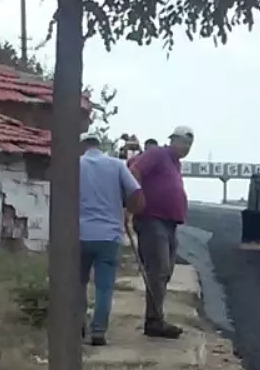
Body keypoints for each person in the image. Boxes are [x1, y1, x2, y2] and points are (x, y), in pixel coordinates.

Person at [78, 136, 143, 347]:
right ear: (101, 146)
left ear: (83, 146)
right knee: (104, 287)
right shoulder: (116, 165)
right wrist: (129, 211)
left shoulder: (75, 164)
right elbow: (136, 192)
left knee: (78, 284)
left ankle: (77, 327)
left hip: (79, 234)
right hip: (109, 235)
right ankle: (98, 332)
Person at [133, 125, 192, 338]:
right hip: (152, 219)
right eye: (183, 142)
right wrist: (135, 199)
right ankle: (154, 322)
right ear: (173, 140)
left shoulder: (175, 163)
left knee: (165, 273)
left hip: (169, 223)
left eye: (189, 144)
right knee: (158, 270)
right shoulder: (157, 154)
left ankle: (157, 316)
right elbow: (135, 170)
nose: (186, 147)